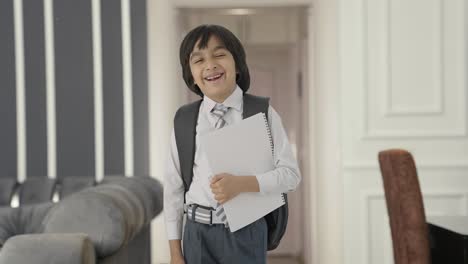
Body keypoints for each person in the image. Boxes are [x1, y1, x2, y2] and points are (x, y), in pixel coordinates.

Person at [164, 24, 301, 264]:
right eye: (198, 60)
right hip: (196, 234)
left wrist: (243, 184)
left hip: (247, 232)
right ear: (191, 75)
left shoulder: (261, 112)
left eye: (219, 55)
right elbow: (173, 189)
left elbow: (290, 175)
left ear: (237, 65)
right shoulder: (184, 120)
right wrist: (175, 252)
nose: (210, 65)